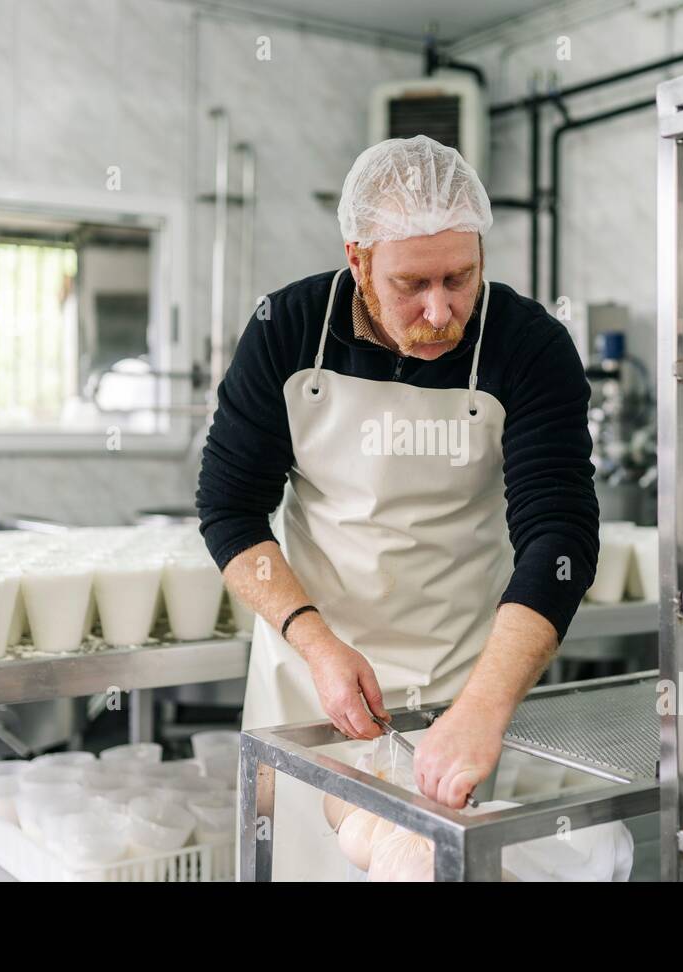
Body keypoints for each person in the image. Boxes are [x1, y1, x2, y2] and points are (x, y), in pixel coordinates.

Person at [197, 134, 599, 880]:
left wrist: (483, 706)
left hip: (461, 688)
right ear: (357, 260)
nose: (441, 310)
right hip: (309, 685)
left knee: (426, 866)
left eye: (461, 277)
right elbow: (228, 510)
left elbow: (560, 536)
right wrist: (314, 642)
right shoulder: (285, 329)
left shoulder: (528, 345)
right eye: (412, 284)